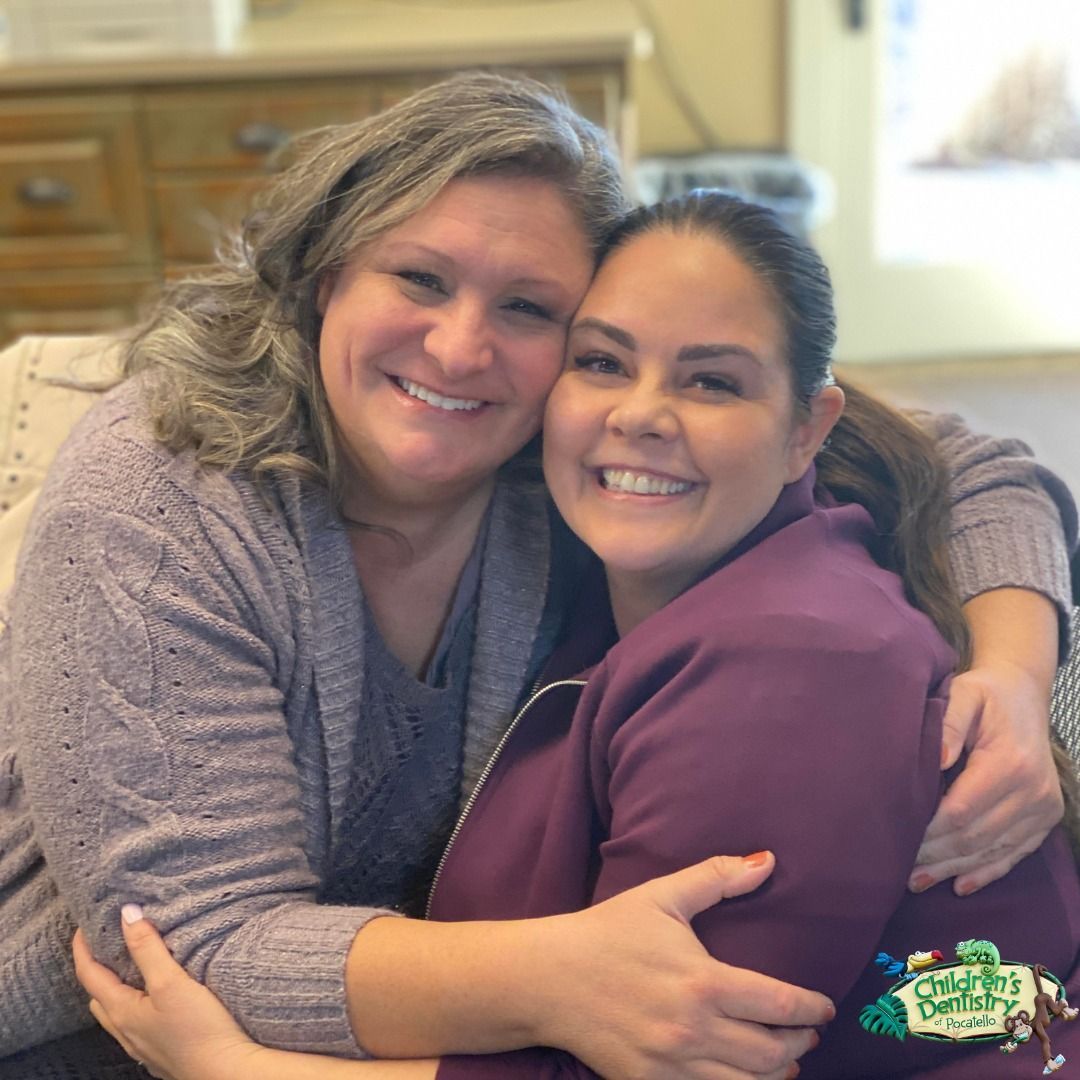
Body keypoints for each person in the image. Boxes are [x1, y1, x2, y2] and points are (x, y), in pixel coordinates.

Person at [1, 72, 1074, 1077]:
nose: (462, 350)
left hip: (422, 974)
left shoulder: (578, 437)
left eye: (529, 309)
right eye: (419, 279)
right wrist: (560, 976)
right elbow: (190, 944)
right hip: (103, 1013)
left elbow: (965, 466)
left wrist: (1016, 683)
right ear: (326, 273)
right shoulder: (159, 501)